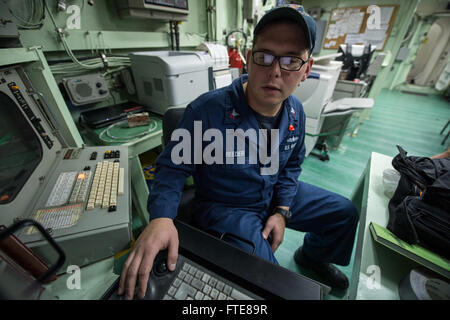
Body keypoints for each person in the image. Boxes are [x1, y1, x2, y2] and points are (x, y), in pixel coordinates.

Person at [118, 5, 359, 300]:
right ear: (249, 59)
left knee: (344, 213)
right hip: (228, 207)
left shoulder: (295, 111)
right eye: (265, 56)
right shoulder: (207, 112)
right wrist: (161, 218)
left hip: (273, 192)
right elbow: (172, 168)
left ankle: (312, 256)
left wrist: (282, 211)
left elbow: (292, 166)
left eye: (291, 60)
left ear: (306, 70)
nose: (275, 71)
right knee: (268, 283)